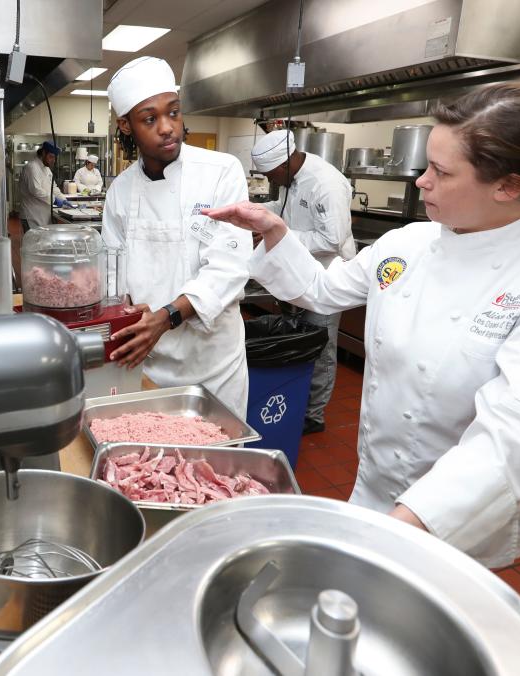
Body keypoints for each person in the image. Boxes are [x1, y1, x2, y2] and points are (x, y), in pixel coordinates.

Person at [203, 82, 520, 567]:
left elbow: (510, 446)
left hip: (455, 527)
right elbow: (322, 291)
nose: (421, 181)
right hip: (374, 491)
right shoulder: (409, 244)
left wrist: (395, 530)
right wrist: (273, 229)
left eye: (441, 172)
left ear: (508, 185)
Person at [102, 56, 252, 418]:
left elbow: (230, 266)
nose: (167, 128)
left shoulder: (221, 171)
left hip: (212, 364)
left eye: (174, 113)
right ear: (126, 126)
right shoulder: (120, 191)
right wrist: (124, 309)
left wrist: (167, 316)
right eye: (150, 119)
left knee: (215, 468)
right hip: (148, 361)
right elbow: (110, 268)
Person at [251, 130, 356, 434]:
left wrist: (278, 234)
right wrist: (255, 212)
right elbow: (285, 211)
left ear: (284, 163)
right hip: (298, 271)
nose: (272, 180)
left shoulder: (326, 182)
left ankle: (314, 414)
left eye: (272, 175)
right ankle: (296, 397)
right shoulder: (291, 178)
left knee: (320, 344)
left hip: (327, 276)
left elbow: (332, 239)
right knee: (298, 340)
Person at [19, 141, 69, 228]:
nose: (53, 160)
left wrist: (64, 200)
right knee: (33, 241)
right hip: (31, 215)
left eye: (54, 157)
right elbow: (35, 190)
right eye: (51, 157)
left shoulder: (46, 168)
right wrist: (55, 200)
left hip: (44, 215)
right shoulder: (32, 167)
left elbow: (54, 188)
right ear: (43, 153)